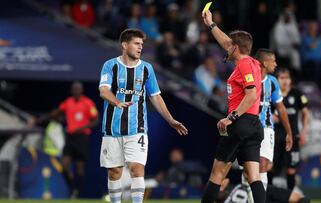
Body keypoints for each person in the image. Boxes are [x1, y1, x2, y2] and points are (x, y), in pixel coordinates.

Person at [98, 28, 188, 203]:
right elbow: (103, 91)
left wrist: (170, 120)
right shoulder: (110, 66)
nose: (140, 47)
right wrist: (117, 102)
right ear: (125, 45)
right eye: (136, 44)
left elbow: (155, 96)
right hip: (112, 128)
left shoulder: (147, 69)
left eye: (142, 44)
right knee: (114, 171)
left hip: (137, 127)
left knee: (137, 168)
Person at [201, 10, 265, 203]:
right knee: (254, 177)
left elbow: (251, 94)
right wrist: (211, 25)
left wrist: (231, 117)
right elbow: (227, 43)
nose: (226, 48)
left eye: (230, 46)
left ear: (236, 48)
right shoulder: (253, 63)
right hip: (254, 125)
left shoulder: (244, 65)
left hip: (239, 123)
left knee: (217, 175)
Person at [35, 81, 99, 197]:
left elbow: (96, 119)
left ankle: (77, 192)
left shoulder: (88, 103)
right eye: (73, 89)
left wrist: (83, 127)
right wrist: (40, 119)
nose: (75, 91)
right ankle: (71, 187)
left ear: (81, 90)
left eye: (77, 89)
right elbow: (56, 113)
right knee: (64, 164)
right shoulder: (68, 102)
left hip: (82, 137)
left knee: (80, 168)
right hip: (70, 137)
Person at [251, 49, 293, 192]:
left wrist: (289, 132)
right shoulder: (249, 79)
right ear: (264, 63)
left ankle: (259, 199)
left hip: (266, 126)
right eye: (273, 61)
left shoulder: (273, 82)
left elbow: (281, 109)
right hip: (248, 127)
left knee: (263, 163)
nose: (275, 64)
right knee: (249, 168)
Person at [273, 68, 309, 190]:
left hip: (293, 136)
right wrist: (270, 115)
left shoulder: (297, 94)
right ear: (276, 79)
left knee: (291, 169)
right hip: (275, 135)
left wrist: (304, 131)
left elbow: (305, 113)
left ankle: (290, 196)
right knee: (271, 166)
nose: (285, 81)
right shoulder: (272, 93)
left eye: (287, 78)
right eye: (282, 78)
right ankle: (269, 196)